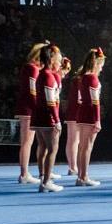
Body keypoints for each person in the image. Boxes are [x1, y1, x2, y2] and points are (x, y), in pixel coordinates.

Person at [33, 44, 66, 193]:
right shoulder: (48, 76)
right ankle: (46, 181)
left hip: (39, 117)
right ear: (52, 59)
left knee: (43, 147)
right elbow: (50, 101)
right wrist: (56, 120)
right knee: (52, 149)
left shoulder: (42, 74)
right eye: (58, 60)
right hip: (47, 118)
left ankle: (43, 177)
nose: (60, 63)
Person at [14, 41, 48, 184]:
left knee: (26, 142)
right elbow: (33, 93)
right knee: (27, 142)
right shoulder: (32, 69)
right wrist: (39, 109)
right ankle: (24, 174)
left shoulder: (28, 68)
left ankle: (24, 172)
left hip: (26, 107)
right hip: (29, 109)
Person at [75, 48, 106, 187]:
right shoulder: (92, 77)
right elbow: (95, 102)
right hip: (89, 114)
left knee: (82, 147)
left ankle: (80, 176)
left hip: (82, 113)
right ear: (96, 63)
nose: (101, 68)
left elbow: (79, 99)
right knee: (87, 147)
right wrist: (97, 120)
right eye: (101, 65)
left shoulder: (82, 77)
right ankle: (84, 177)